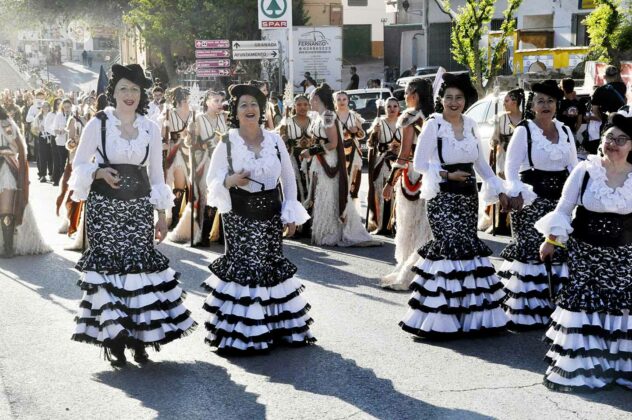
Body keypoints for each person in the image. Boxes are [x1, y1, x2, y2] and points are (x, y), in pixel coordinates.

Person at [69, 64, 196, 366]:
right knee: (110, 270)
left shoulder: (150, 128)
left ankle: (140, 337)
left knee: (138, 272)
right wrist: (99, 172)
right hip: (104, 208)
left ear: (142, 95)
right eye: (123, 88)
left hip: (138, 209)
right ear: (113, 92)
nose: (129, 94)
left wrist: (162, 216)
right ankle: (116, 340)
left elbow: (156, 175)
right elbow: (78, 165)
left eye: (135, 89)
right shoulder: (98, 123)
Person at [202, 83, 313, 354]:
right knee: (247, 266)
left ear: (261, 110)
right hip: (239, 214)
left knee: (269, 264)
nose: (249, 109)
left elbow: (288, 179)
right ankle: (246, 332)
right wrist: (230, 180)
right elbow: (211, 180)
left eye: (254, 104)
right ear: (236, 112)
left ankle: (273, 327)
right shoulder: (227, 142)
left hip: (270, 213)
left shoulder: (275, 140)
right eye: (244, 105)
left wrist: (290, 213)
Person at [400, 73, 510, 338]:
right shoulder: (434, 125)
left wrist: (499, 189)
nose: (454, 102)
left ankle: (470, 317)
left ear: (465, 100)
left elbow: (481, 163)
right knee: (449, 247)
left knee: (467, 248)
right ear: (441, 100)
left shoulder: (471, 124)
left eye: (459, 97)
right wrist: (448, 175)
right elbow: (419, 164)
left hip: (468, 196)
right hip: (442, 196)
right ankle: (442, 318)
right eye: (449, 97)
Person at [536, 114, 632, 392]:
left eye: (622, 140)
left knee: (620, 306)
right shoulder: (585, 170)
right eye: (609, 137)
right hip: (585, 253)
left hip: (623, 256)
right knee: (585, 305)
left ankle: (618, 367)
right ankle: (585, 370)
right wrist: (551, 241)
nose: (613, 144)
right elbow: (564, 208)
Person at [499, 80, 578, 330]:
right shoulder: (524, 130)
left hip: (560, 203)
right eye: (540, 101)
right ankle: (527, 313)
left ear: (557, 104)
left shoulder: (565, 130)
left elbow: (573, 168)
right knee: (531, 253)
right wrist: (517, 192)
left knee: (559, 252)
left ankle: (555, 309)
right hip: (531, 201)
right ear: (532, 105)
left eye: (550, 101)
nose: (546, 105)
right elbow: (510, 169)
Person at [301, 84, 379, 247]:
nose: (309, 101)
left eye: (311, 98)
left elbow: (333, 143)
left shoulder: (328, 116)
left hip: (329, 161)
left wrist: (311, 151)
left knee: (329, 195)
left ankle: (332, 233)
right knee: (324, 195)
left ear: (317, 99)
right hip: (321, 160)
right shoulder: (321, 116)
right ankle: (327, 231)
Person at [380, 80, 435, 290]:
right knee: (426, 224)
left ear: (415, 94)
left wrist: (389, 182)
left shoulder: (409, 117)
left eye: (406, 93)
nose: (404, 96)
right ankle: (426, 268)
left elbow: (403, 155)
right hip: (431, 174)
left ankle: (410, 270)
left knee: (409, 224)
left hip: (412, 173)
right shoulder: (434, 116)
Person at [169, 90, 228, 245]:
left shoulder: (223, 118)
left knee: (221, 195)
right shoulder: (199, 119)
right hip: (204, 163)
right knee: (205, 197)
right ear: (207, 102)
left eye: (221, 100)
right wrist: (193, 134)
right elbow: (189, 143)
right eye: (216, 100)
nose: (219, 104)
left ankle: (221, 234)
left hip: (222, 163)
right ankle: (202, 235)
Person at [0, 105, 51, 257]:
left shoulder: (6, 124)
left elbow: (18, 148)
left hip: (6, 169)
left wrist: (2, 151)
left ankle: (9, 248)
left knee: (7, 209)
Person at [485, 88, 525, 234]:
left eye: (507, 100)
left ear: (515, 102)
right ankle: (501, 223)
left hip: (520, 158)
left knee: (518, 187)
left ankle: (517, 221)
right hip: (504, 157)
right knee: (503, 188)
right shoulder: (501, 118)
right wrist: (497, 141)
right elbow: (493, 138)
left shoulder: (525, 118)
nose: (504, 103)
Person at [277, 94, 313, 231]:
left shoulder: (314, 121)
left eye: (305, 104)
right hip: (293, 159)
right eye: (299, 105)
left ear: (309, 105)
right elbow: (281, 143)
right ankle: (297, 225)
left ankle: (310, 225)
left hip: (311, 159)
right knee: (296, 190)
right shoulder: (287, 122)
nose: (302, 107)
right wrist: (284, 138)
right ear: (294, 106)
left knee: (311, 190)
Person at [366, 97, 401, 235]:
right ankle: (381, 224)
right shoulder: (379, 122)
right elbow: (370, 144)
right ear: (384, 109)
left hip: (400, 161)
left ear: (399, 108)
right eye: (389, 107)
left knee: (398, 193)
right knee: (381, 190)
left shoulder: (404, 122)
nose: (392, 109)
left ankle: (396, 224)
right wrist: (375, 133)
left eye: (395, 106)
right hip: (383, 162)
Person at [160, 86, 193, 230]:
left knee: (191, 185)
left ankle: (188, 217)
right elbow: (163, 135)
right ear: (178, 101)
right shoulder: (170, 114)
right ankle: (174, 217)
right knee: (179, 184)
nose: (188, 103)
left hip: (191, 151)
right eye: (185, 100)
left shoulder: (193, 114)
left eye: (188, 100)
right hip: (176, 151)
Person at [586, 65, 627, 154]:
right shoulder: (622, 87)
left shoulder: (600, 90)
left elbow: (594, 109)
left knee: (607, 146)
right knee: (620, 146)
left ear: (604, 76)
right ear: (616, 75)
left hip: (607, 123)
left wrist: (600, 118)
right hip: (621, 122)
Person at [335, 91, 365, 199]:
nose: (341, 102)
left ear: (348, 101)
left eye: (344, 99)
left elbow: (362, 135)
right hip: (336, 151)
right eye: (339, 99)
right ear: (335, 101)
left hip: (353, 151)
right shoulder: (331, 116)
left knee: (352, 178)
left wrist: (356, 131)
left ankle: (350, 203)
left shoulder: (354, 116)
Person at [52, 98, 71, 186]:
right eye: (65, 107)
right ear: (62, 107)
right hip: (61, 142)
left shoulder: (73, 115)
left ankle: (69, 181)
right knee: (61, 162)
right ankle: (60, 181)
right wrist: (61, 131)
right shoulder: (59, 116)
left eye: (68, 107)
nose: (67, 109)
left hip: (71, 143)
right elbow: (55, 130)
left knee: (70, 162)